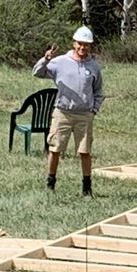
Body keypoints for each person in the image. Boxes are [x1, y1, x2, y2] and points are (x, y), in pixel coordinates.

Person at [32, 25, 104, 196]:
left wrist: (94, 110)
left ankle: (87, 188)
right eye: (80, 44)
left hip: (84, 115)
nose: (82, 47)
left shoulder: (93, 66)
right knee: (55, 149)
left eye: (86, 44)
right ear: (74, 43)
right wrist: (46, 59)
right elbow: (37, 73)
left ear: (90, 46)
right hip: (62, 113)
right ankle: (50, 184)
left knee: (84, 152)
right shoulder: (60, 62)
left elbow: (98, 91)